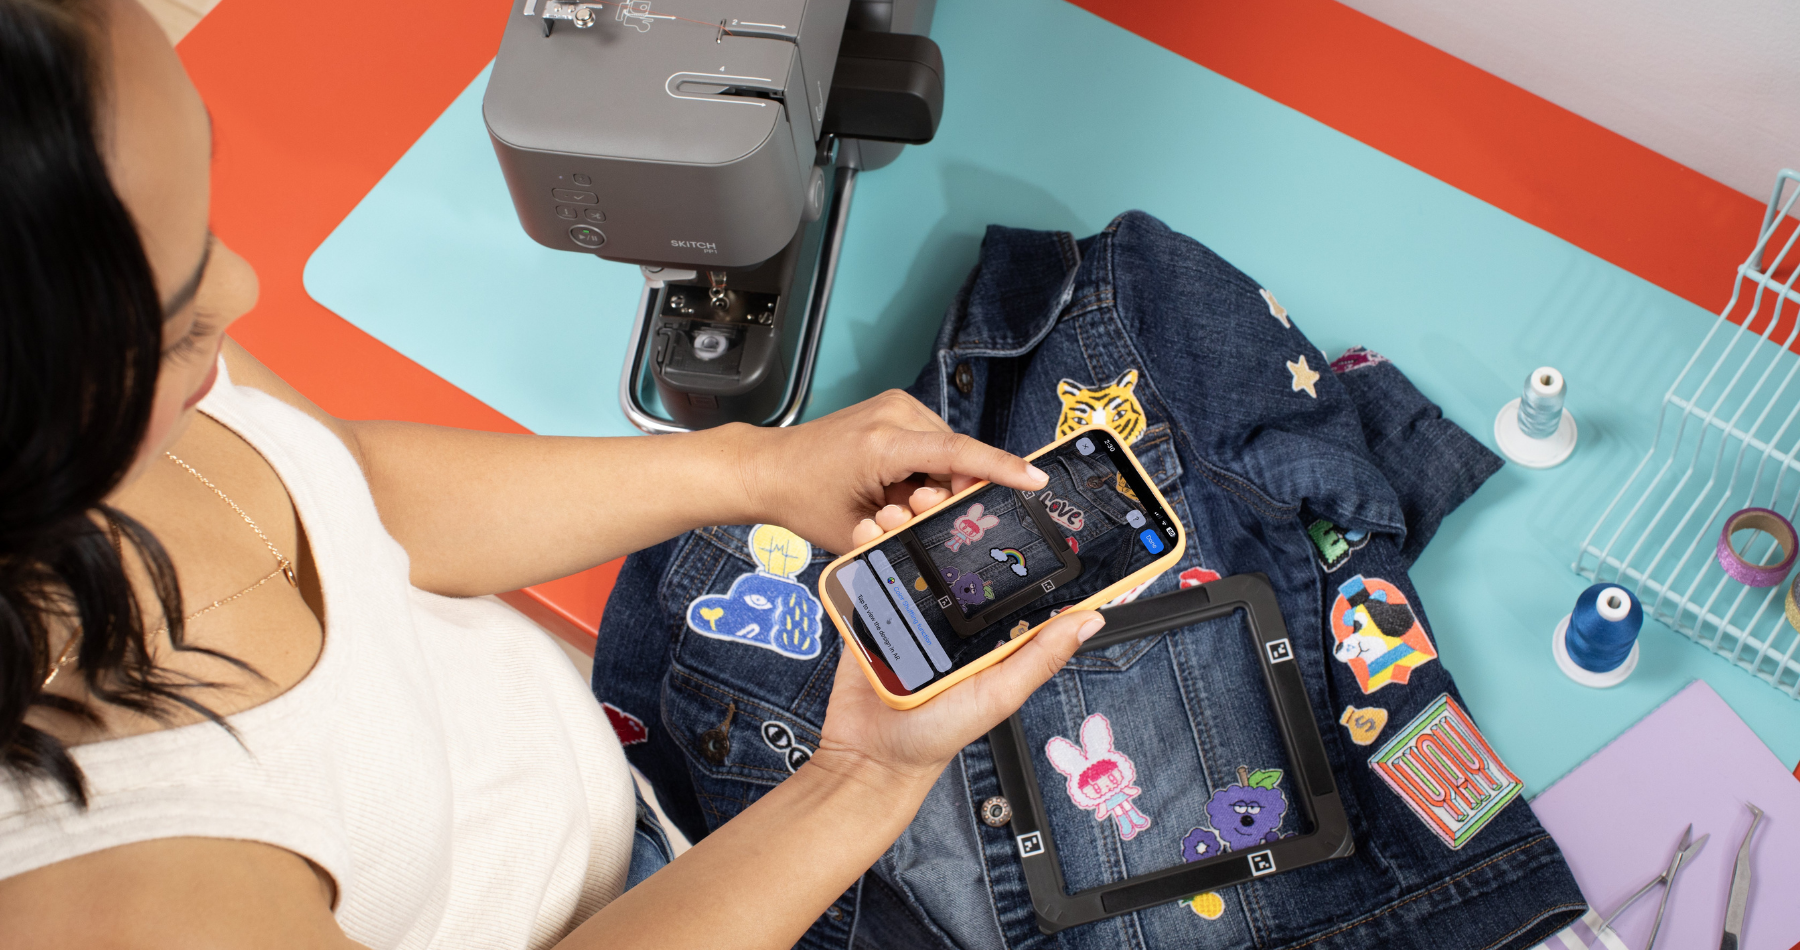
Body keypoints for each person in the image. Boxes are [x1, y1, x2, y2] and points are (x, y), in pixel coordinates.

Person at [0, 0, 1108, 946]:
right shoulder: (123, 896)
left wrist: (755, 465)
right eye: (173, 313)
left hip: (623, 808)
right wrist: (859, 778)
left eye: (202, 230)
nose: (238, 292)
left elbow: (354, 491)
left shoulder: (87, 336)